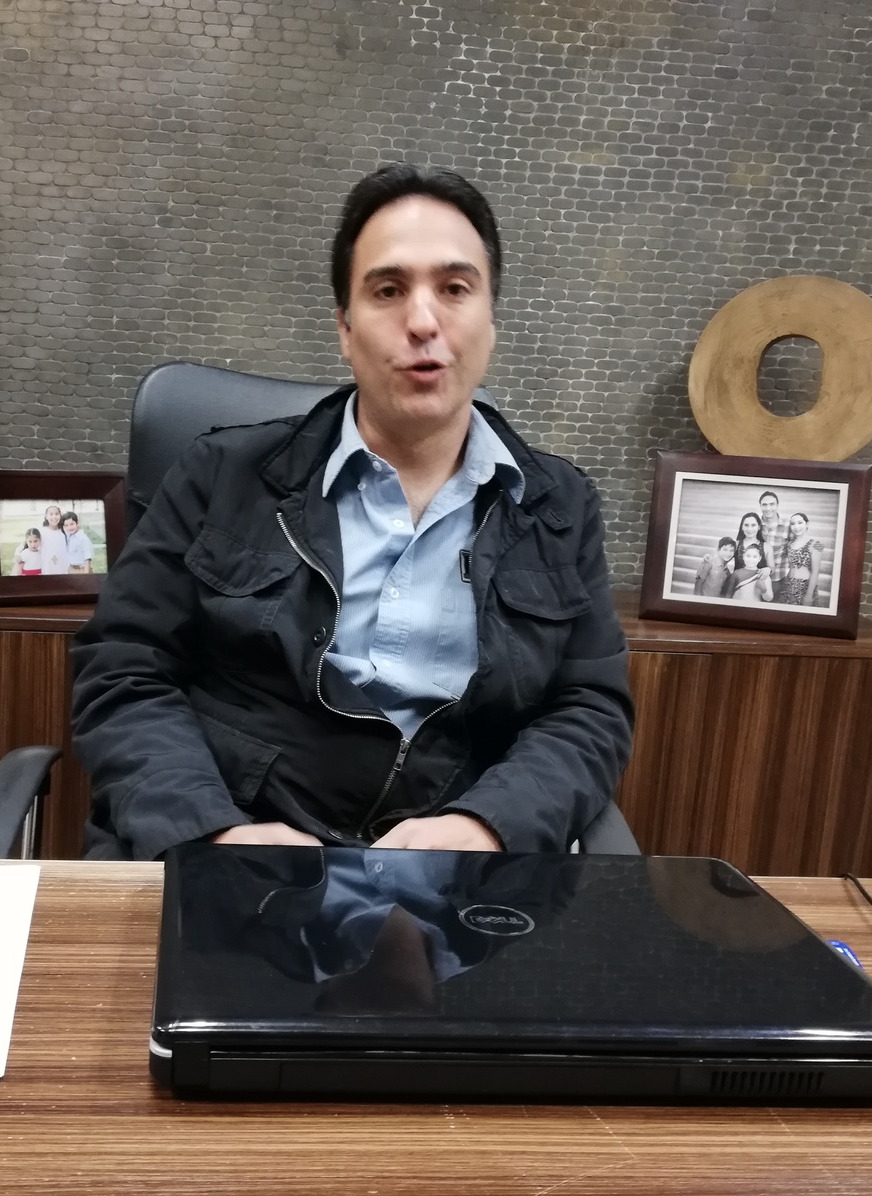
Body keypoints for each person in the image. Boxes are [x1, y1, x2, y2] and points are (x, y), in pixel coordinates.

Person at [70, 162, 634, 861]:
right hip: (235, 844)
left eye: (455, 289)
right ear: (344, 327)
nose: (422, 321)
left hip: (455, 869)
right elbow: (123, 671)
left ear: (491, 321)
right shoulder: (219, 476)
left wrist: (489, 825)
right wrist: (212, 832)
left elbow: (588, 709)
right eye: (388, 290)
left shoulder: (558, 507)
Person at [773, 511, 826, 605]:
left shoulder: (815, 545)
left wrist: (809, 594)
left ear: (807, 524)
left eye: (800, 523)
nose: (796, 526)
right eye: (793, 524)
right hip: (788, 586)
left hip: (804, 587)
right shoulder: (789, 544)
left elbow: (815, 572)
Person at [757, 490, 789, 585]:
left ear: (777, 505)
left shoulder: (787, 526)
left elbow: (799, 543)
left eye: (772, 504)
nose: (768, 508)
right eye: (764, 505)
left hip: (778, 578)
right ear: (760, 506)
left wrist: (813, 545)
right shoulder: (754, 525)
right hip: (757, 578)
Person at [38, 504, 68, 575]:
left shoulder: (64, 532)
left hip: (62, 568)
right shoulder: (41, 532)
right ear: (46, 516)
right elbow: (29, 544)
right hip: (47, 568)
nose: (54, 517)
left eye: (56, 514)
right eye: (51, 514)